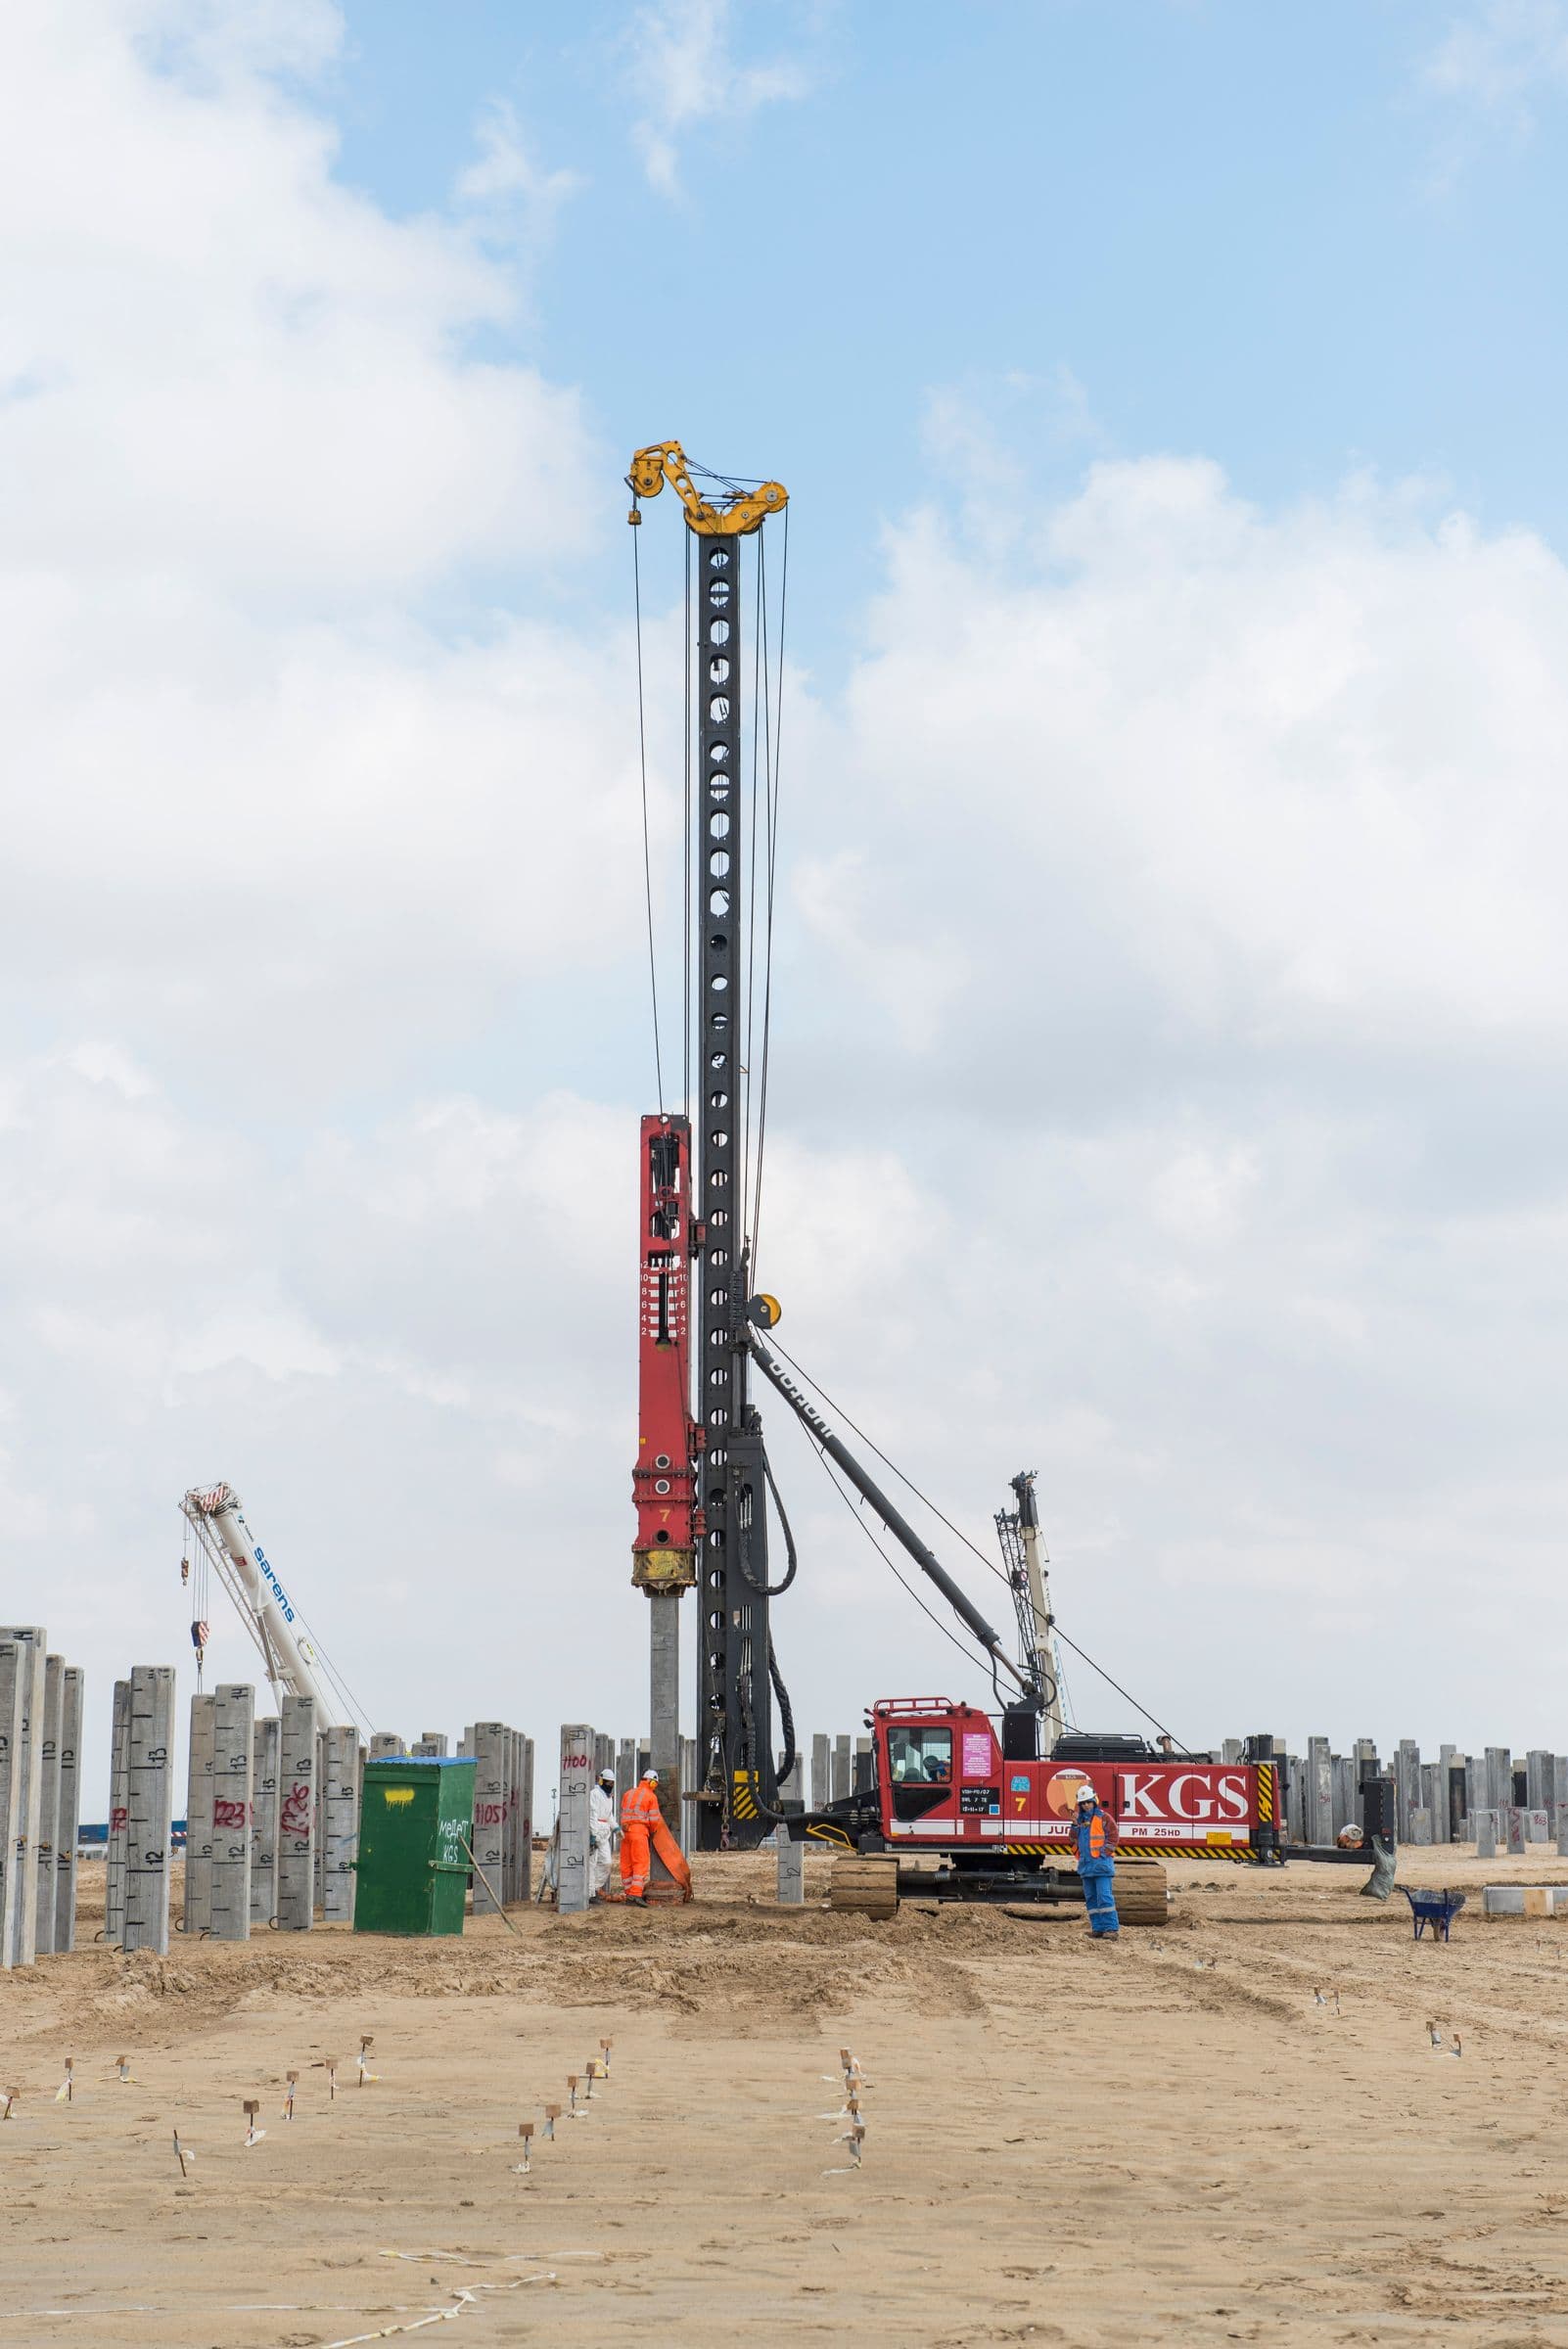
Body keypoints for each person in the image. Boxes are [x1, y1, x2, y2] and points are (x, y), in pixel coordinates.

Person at [620, 1768, 693, 1906]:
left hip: (625, 1833)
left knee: (626, 1864)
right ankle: (635, 1894)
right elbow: (654, 1820)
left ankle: (628, 1893)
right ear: (652, 1782)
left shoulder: (628, 1793)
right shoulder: (651, 1797)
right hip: (639, 1832)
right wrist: (652, 1832)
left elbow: (623, 1812)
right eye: (655, 1784)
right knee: (640, 1863)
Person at [1074, 1780, 1120, 1938]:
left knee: (1104, 1897)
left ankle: (1111, 1929)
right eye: (1083, 1803)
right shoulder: (1080, 1822)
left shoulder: (1104, 1817)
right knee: (1091, 1899)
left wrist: (1103, 1853)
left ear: (1094, 1801)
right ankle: (1098, 1929)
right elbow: (1073, 1839)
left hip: (1101, 1865)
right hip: (1086, 1866)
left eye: (1088, 1802)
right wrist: (1073, 1826)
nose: (1086, 1805)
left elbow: (1113, 1837)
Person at [588, 1767, 618, 1903]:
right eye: (608, 1782)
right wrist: (593, 1834)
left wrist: (616, 1828)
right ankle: (590, 1893)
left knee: (606, 1863)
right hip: (595, 1831)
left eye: (612, 1783)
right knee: (592, 1864)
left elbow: (609, 1815)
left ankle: (595, 1888)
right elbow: (593, 1815)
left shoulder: (608, 1797)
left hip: (604, 1833)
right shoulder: (594, 1794)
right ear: (602, 1781)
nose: (610, 1785)